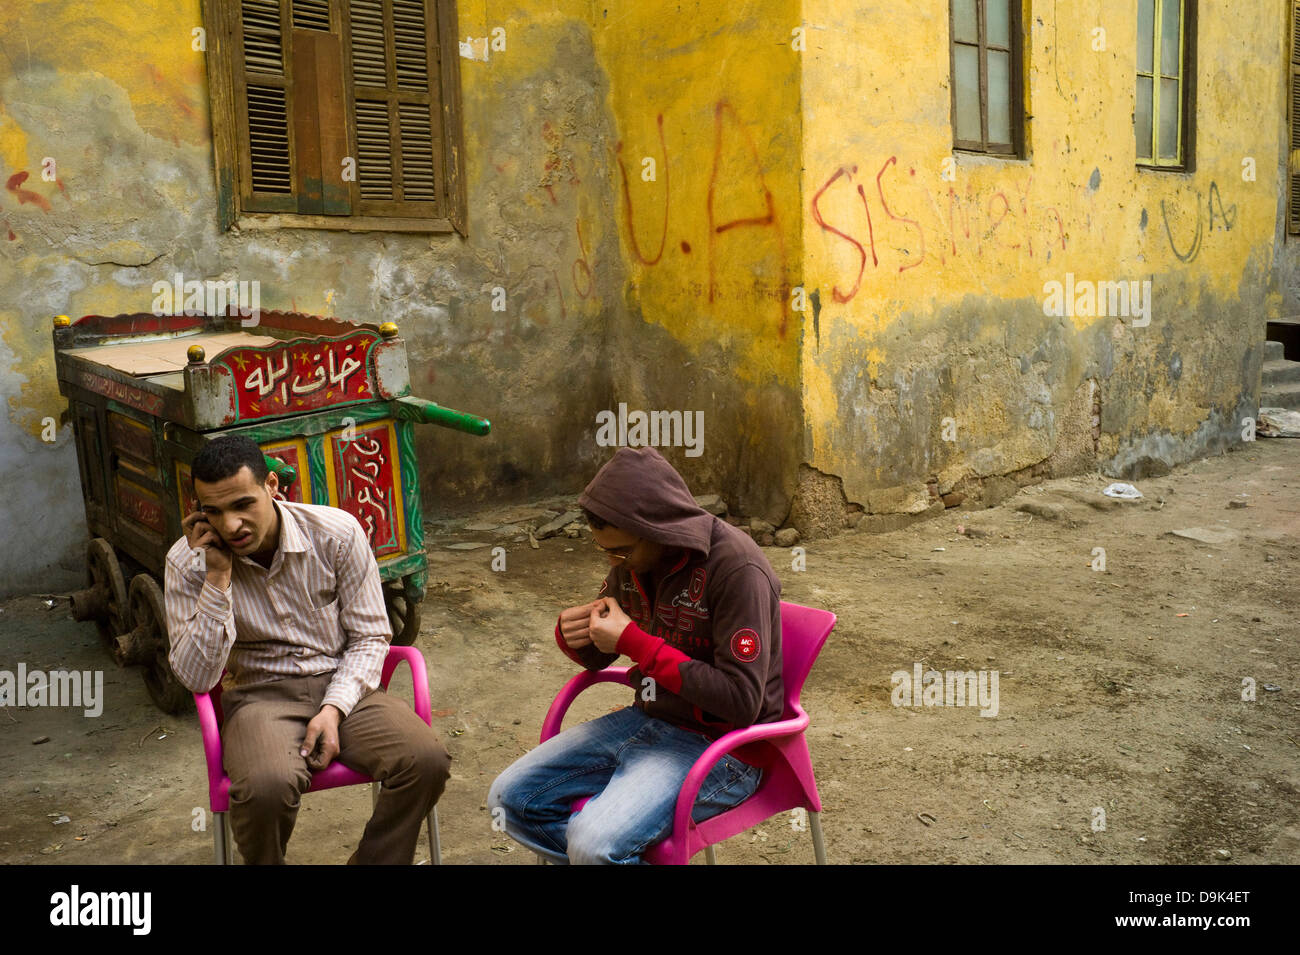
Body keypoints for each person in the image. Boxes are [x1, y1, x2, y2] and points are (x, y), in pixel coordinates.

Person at [163, 434, 450, 864]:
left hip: (346, 686)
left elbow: (371, 635)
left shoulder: (336, 533)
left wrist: (333, 708)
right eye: (214, 511)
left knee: (425, 760)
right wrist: (217, 578)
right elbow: (197, 678)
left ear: (272, 486)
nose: (230, 525)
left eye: (243, 505)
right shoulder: (187, 563)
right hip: (259, 696)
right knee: (266, 789)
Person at [488, 446, 783, 863]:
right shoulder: (633, 564)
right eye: (605, 551)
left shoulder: (738, 570)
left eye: (621, 551)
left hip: (724, 748)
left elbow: (741, 701)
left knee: (594, 844)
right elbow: (600, 656)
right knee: (510, 799)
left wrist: (633, 642)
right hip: (648, 720)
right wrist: (575, 635)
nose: (613, 562)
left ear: (658, 530)